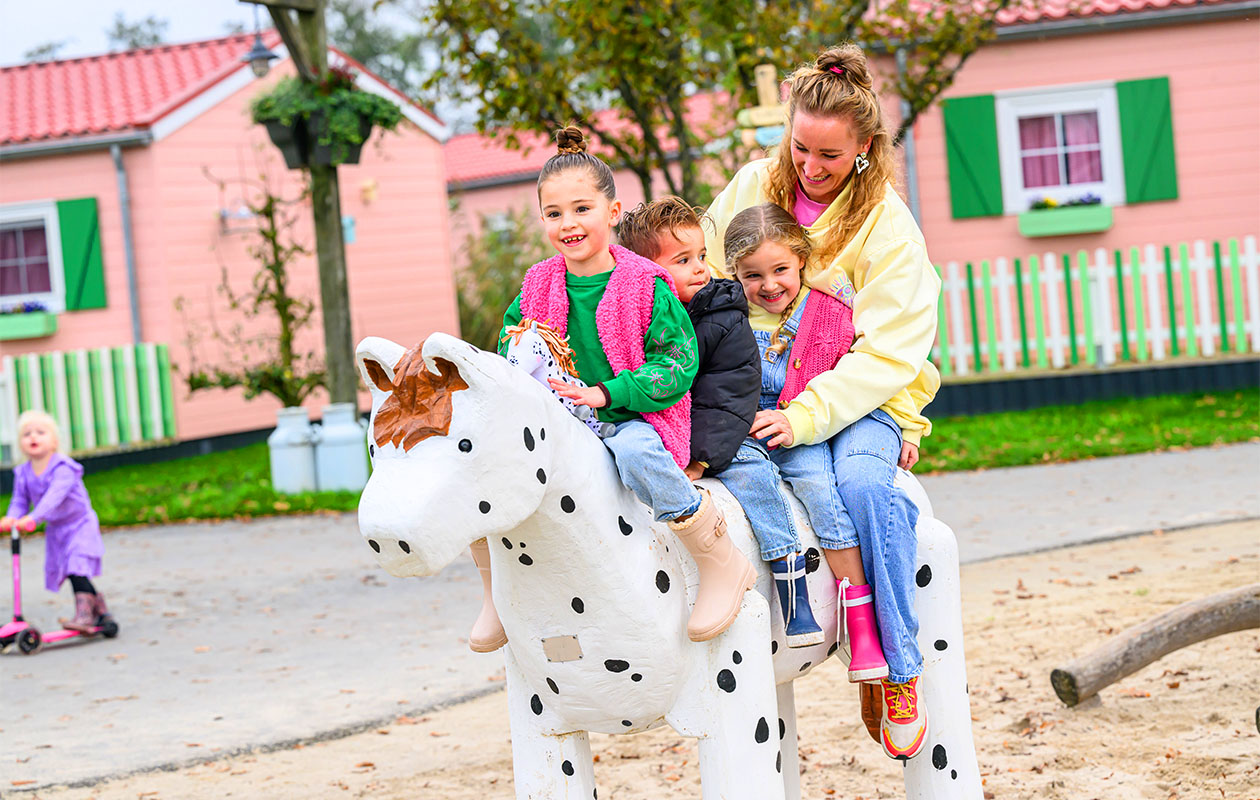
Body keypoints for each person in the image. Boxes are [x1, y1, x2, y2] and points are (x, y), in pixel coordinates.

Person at [704, 43, 941, 760]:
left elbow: (888, 353)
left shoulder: (888, 226)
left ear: (866, 147)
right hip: (761, 391)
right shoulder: (751, 184)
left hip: (852, 400)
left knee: (867, 488)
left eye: (830, 156)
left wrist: (807, 416)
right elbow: (705, 278)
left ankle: (900, 668)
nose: (809, 167)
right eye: (799, 147)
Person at [467, 127, 756, 653]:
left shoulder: (645, 283)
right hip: (560, 421)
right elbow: (510, 351)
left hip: (631, 417)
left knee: (637, 452)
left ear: (613, 210)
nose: (568, 224)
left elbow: (677, 363)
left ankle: (717, 558)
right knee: (486, 467)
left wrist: (609, 392)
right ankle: (496, 588)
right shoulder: (537, 285)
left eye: (581, 209)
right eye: (554, 214)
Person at [618, 197, 822, 648]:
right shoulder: (633, 316)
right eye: (684, 261)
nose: (701, 269)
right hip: (663, 430)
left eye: (702, 257)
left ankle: (790, 573)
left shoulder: (723, 314)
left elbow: (727, 395)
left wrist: (704, 459)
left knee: (754, 476)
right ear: (641, 269)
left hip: (723, 434)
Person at [1, 410, 112, 633]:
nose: (33, 437)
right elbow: (20, 500)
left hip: (79, 524)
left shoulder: (63, 468)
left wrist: (33, 518)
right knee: (70, 569)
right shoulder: (23, 472)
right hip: (57, 529)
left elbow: (53, 498)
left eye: (40, 432)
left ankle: (85, 615)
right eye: (27, 434)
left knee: (75, 565)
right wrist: (12, 518)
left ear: (54, 441)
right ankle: (100, 610)